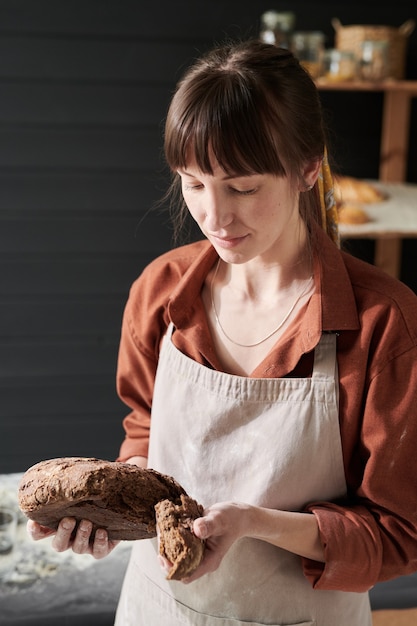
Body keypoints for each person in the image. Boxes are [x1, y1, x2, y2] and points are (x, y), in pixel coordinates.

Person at [28, 39, 417, 625]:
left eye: (242, 188)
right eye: (193, 183)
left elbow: (400, 533)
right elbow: (145, 429)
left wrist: (256, 524)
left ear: (308, 167)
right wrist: (117, 501)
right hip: (158, 609)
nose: (214, 217)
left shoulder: (383, 324)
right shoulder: (161, 293)